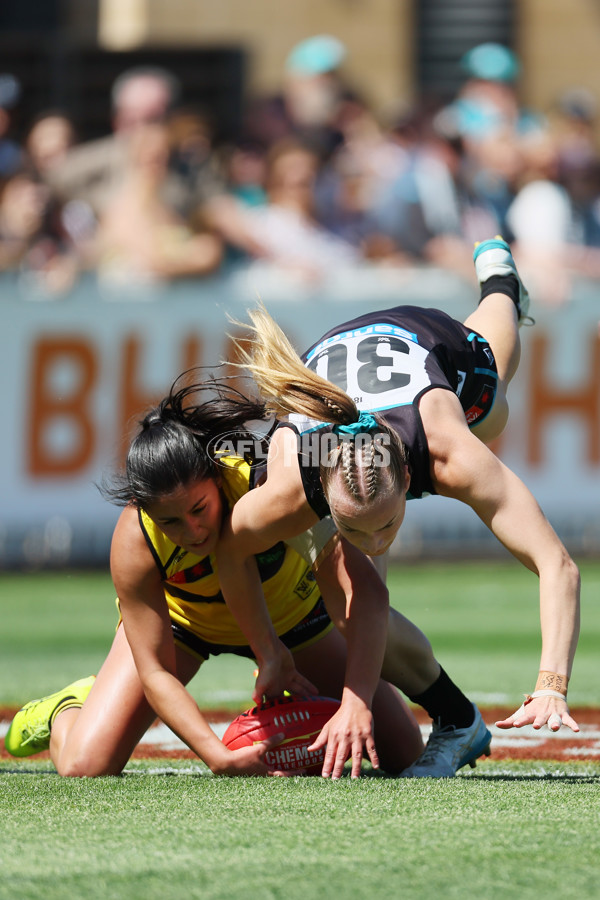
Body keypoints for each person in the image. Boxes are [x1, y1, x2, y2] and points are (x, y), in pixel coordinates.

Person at [215, 236, 581, 777]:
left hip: (431, 344)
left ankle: (502, 284)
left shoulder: (448, 451)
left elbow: (558, 565)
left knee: (495, 402)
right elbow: (230, 552)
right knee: (346, 601)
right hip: (339, 391)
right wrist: (267, 650)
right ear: (324, 493)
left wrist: (552, 684)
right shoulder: (293, 474)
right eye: (356, 529)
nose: (379, 543)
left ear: (410, 476)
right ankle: (459, 720)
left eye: (387, 523)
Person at [5, 378, 424, 779]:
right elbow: (155, 673)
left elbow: (364, 595)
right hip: (185, 627)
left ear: (216, 476)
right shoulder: (134, 540)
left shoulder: (265, 486)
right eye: (170, 521)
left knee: (403, 752)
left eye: (199, 509)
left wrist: (356, 701)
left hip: (294, 619)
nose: (192, 532)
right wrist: (217, 756)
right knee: (85, 765)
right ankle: (66, 707)